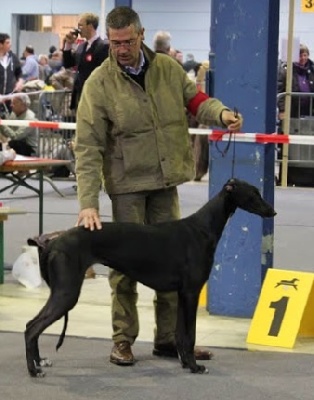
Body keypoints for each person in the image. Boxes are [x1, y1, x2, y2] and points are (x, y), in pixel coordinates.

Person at [74, 6, 243, 366]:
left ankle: (170, 341)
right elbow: (88, 147)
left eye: (127, 41)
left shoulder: (167, 68)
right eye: (115, 42)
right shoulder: (98, 84)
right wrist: (88, 202)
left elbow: (196, 100)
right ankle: (123, 340)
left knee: (176, 264)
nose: (120, 49)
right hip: (127, 187)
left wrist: (222, 113)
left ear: (141, 34)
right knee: (124, 268)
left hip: (166, 182)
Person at [62, 12, 109, 111]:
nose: (78, 29)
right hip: (79, 94)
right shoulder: (81, 46)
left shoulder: (103, 46)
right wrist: (68, 45)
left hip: (94, 97)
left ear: (90, 26)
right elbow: (68, 64)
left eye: (81, 25)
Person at [277, 44, 314, 119]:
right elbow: (280, 91)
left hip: (310, 111)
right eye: (300, 56)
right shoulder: (285, 70)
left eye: (305, 55)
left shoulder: (312, 69)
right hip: (292, 111)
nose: (303, 58)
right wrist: (282, 110)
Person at [0, 33, 23, 115]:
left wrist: (20, 81)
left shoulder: (13, 57)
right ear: (0, 44)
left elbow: (19, 72)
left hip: (9, 97)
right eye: (7, 42)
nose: (10, 44)